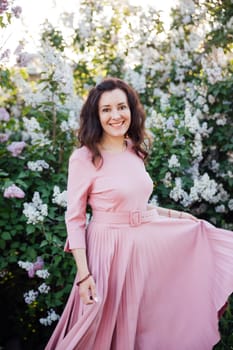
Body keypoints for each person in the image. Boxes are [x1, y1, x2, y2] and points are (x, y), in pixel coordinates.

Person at [45, 77, 233, 350]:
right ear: (96, 116)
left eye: (121, 107)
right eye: (106, 109)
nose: (115, 115)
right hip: (106, 253)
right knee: (99, 330)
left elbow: (136, 205)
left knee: (142, 324)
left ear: (131, 110)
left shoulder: (134, 149)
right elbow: (74, 219)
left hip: (141, 250)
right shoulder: (85, 157)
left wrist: (178, 217)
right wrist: (84, 275)